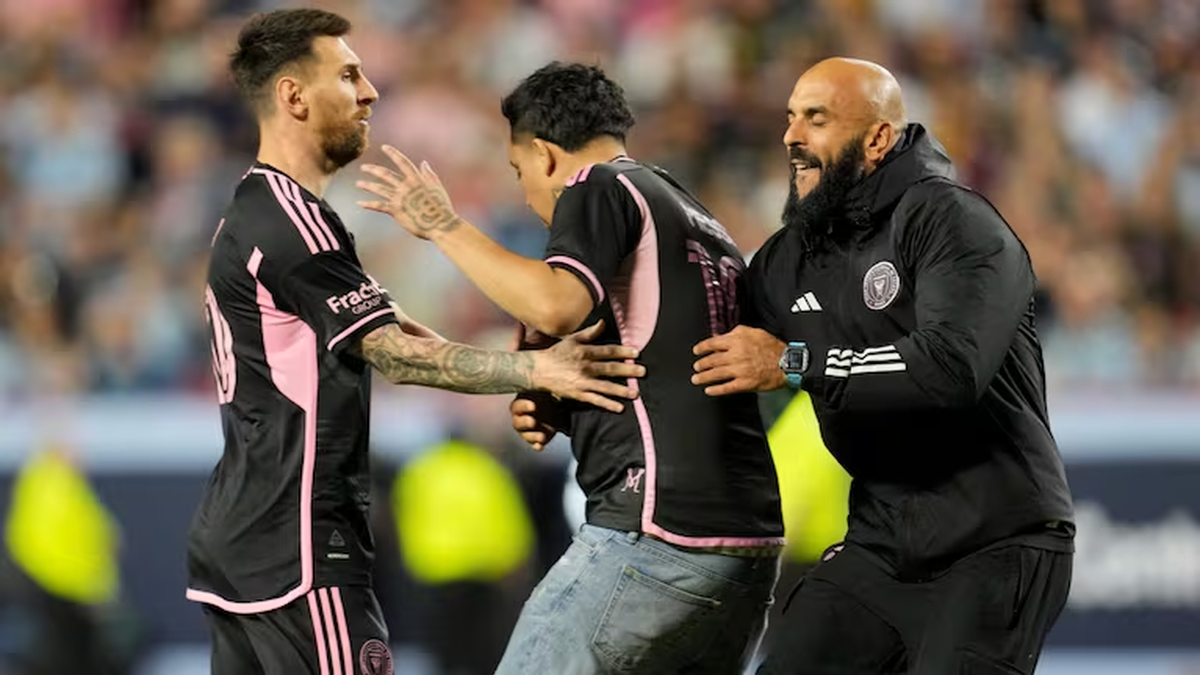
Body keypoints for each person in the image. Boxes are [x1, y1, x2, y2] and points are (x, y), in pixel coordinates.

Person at [186, 12, 643, 675]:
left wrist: (515, 364)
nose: (370, 91)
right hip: (298, 543)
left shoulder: (254, 211)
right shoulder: (292, 221)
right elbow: (394, 354)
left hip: (245, 536)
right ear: (293, 96)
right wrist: (540, 369)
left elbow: (396, 334)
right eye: (349, 75)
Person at [356, 62, 784, 674]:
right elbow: (655, 354)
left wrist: (443, 226)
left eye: (518, 171)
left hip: (654, 534)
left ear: (545, 154)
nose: (526, 194)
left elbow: (556, 306)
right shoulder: (693, 215)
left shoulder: (598, 184)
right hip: (746, 545)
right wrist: (559, 397)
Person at [689, 57, 1076, 674]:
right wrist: (562, 389)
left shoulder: (952, 221)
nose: (791, 136)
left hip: (998, 542)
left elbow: (949, 369)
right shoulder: (786, 261)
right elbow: (709, 362)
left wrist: (795, 362)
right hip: (881, 542)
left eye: (817, 119)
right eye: (791, 118)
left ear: (877, 138)